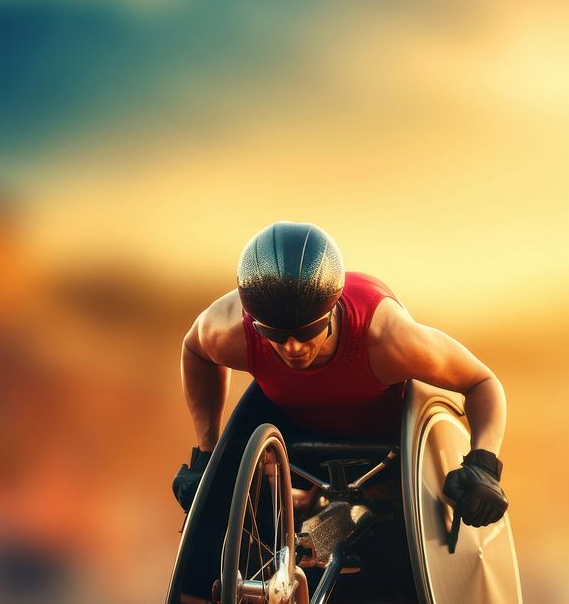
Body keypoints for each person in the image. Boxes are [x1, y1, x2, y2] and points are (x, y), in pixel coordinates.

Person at [172, 221, 509, 527]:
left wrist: (484, 464)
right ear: (253, 320)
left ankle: (333, 507)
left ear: (331, 308)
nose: (291, 348)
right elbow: (195, 351)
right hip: (292, 435)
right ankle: (298, 505)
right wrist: (207, 453)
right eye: (274, 334)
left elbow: (481, 382)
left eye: (308, 331)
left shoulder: (388, 337)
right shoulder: (229, 329)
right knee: (217, 499)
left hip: (387, 449)